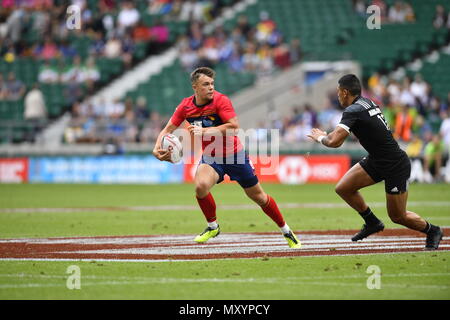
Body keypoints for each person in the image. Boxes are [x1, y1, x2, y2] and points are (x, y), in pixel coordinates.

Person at [152, 67, 300, 248]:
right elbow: (167, 130)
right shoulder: (185, 106)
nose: (211, 87)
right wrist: (156, 148)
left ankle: (286, 230)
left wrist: (205, 130)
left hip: (235, 157)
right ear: (195, 87)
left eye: (212, 84)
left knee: (260, 197)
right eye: (206, 84)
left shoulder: (221, 101)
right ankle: (212, 226)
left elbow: (234, 127)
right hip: (212, 158)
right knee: (200, 186)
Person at [307, 74, 443, 250]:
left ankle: (433, 231)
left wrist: (320, 139)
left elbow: (334, 142)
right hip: (377, 159)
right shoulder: (366, 103)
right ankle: (372, 222)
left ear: (345, 92)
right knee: (343, 188)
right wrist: (326, 135)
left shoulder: (353, 110)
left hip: (394, 164)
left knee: (398, 216)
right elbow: (336, 134)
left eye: (339, 92)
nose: (338, 96)